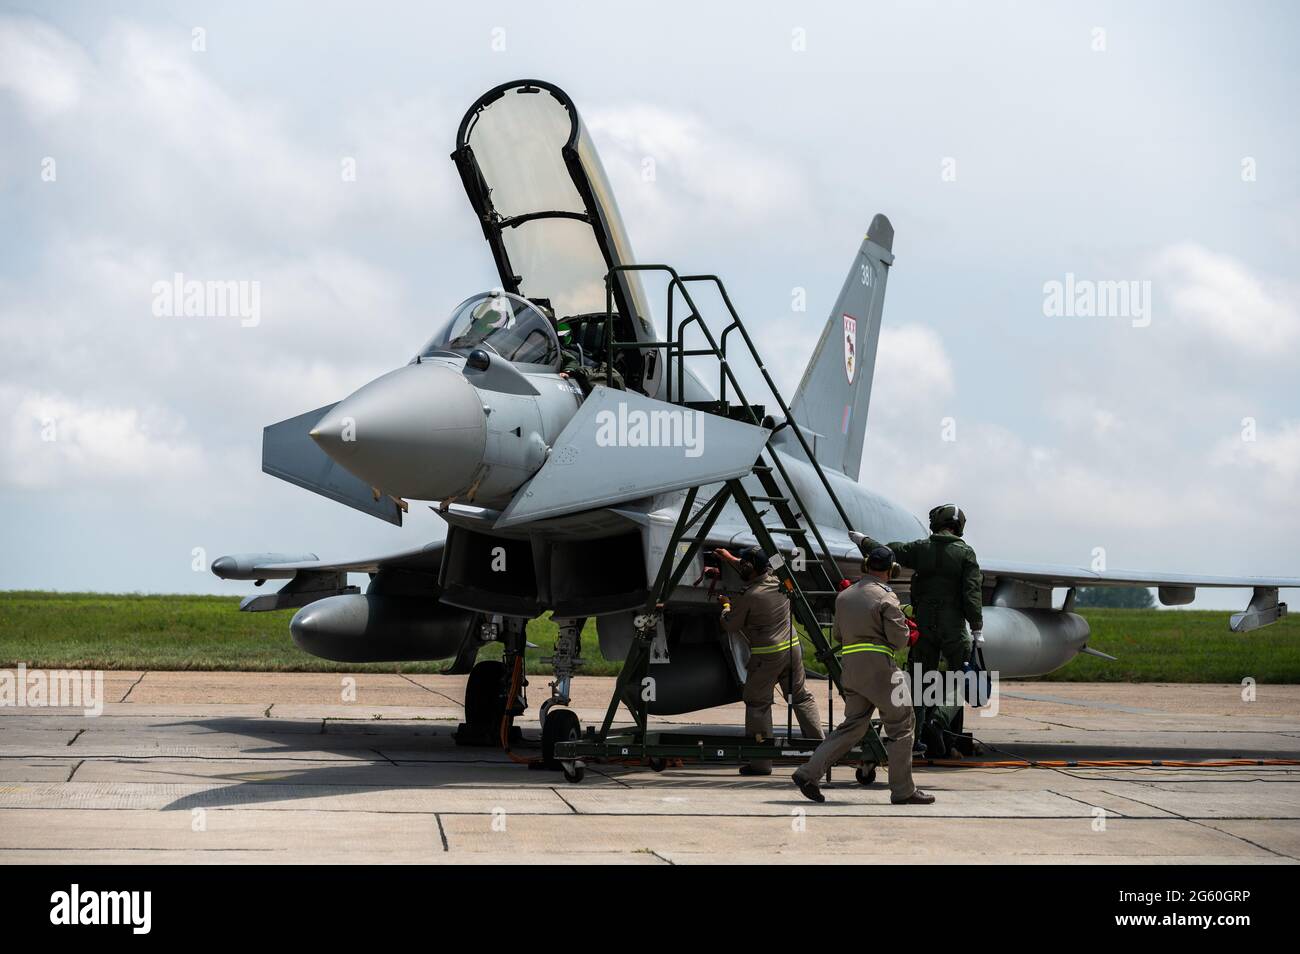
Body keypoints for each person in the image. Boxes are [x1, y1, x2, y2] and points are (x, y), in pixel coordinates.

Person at [792, 546, 934, 805]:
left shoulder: (844, 596)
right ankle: (903, 790)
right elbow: (899, 640)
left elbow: (837, 635)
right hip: (879, 668)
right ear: (892, 570)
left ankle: (808, 773)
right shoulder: (887, 598)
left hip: (851, 668)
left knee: (852, 727)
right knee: (902, 724)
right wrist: (907, 631)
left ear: (866, 565)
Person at [851, 504, 983, 753]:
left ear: (937, 523)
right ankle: (940, 720)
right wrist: (976, 626)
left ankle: (915, 737)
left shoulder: (921, 549)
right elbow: (972, 592)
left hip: (924, 626)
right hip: (953, 628)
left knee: (921, 680)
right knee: (963, 677)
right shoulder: (966, 554)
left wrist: (864, 540)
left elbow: (888, 553)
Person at [715, 546, 824, 775]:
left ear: (751, 567)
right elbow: (755, 568)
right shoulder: (781, 580)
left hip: (767, 655)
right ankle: (823, 752)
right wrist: (728, 558)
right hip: (792, 649)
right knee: (801, 697)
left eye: (744, 563)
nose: (741, 566)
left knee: (758, 703)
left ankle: (760, 762)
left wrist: (725, 605)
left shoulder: (750, 596)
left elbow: (729, 624)